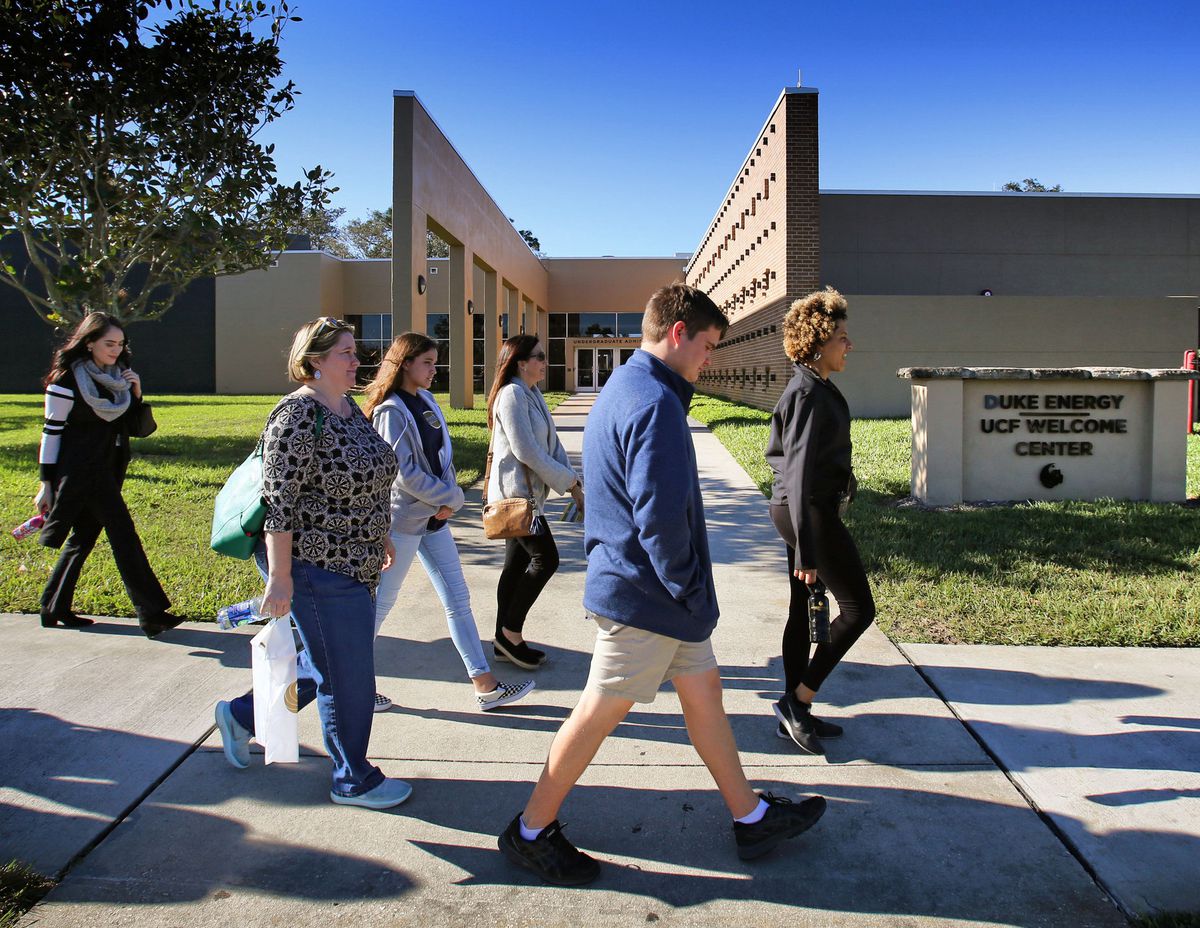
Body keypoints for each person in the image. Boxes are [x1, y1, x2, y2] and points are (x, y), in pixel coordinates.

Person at [498, 284, 826, 885]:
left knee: (705, 697)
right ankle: (530, 830)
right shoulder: (655, 403)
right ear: (678, 333)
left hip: (647, 593)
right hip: (647, 597)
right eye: (706, 346)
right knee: (597, 713)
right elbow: (659, 518)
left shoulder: (626, 386)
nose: (709, 360)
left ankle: (749, 816)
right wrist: (689, 588)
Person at [213, 317, 412, 810]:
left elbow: (371, 477)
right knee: (347, 677)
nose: (356, 359)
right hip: (313, 564)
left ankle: (242, 716)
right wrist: (280, 578)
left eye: (354, 350)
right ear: (315, 361)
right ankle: (353, 779)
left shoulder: (347, 409)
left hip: (357, 559)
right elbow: (279, 504)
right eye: (344, 352)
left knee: (330, 663)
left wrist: (380, 533)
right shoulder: (297, 416)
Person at [363, 332, 535, 712]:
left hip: (435, 521)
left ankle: (485, 685)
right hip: (405, 522)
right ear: (405, 363)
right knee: (381, 604)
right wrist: (452, 497)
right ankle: (351, 684)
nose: (433, 369)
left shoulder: (425, 400)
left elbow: (441, 455)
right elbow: (403, 473)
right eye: (427, 362)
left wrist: (447, 494)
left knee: (458, 600)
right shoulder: (391, 410)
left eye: (435, 362)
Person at [764, 287, 874, 756]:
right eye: (842, 337)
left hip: (798, 511)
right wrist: (809, 551)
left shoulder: (814, 386)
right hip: (807, 511)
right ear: (819, 339)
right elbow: (802, 473)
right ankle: (798, 700)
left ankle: (796, 710)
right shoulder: (808, 392)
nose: (849, 345)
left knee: (798, 612)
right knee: (858, 610)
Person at [34, 312, 181, 637]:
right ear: (89, 343)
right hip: (81, 472)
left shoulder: (119, 381)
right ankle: (152, 613)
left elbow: (139, 429)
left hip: (109, 469)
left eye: (120, 344)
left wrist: (137, 394)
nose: (116, 350)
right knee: (124, 535)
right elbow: (51, 433)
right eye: (108, 343)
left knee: (83, 537)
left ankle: (53, 607)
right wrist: (46, 485)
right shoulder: (65, 382)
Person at [485, 334, 583, 670]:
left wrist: (573, 484)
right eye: (539, 356)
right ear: (520, 362)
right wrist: (570, 484)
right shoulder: (512, 394)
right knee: (546, 558)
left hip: (528, 498)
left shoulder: (532, 393)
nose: (545, 361)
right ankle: (510, 634)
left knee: (514, 568)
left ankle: (503, 639)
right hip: (516, 498)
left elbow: (552, 447)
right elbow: (526, 451)